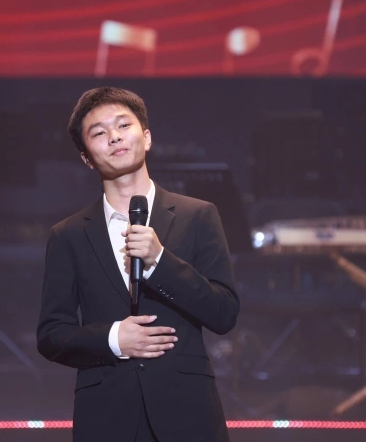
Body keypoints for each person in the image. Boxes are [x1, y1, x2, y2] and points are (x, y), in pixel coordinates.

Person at [37, 87, 240, 442]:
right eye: (99, 133)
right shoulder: (68, 235)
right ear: (86, 158)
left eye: (123, 125)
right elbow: (52, 335)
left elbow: (224, 313)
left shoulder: (198, 216)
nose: (114, 137)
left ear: (146, 137)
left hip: (187, 412)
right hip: (106, 416)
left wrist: (160, 262)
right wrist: (114, 339)